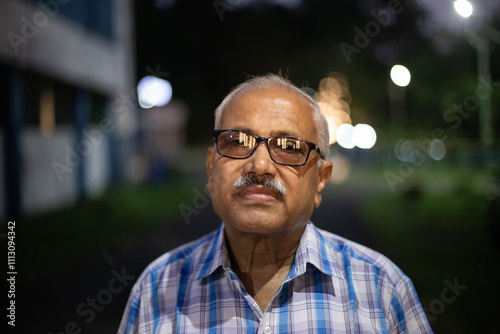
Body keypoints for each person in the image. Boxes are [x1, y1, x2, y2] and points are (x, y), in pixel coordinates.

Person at [118, 74, 433, 333]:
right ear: (212, 168)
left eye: (289, 147)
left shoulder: (380, 289)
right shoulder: (157, 288)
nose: (259, 166)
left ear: (321, 179)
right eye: (237, 142)